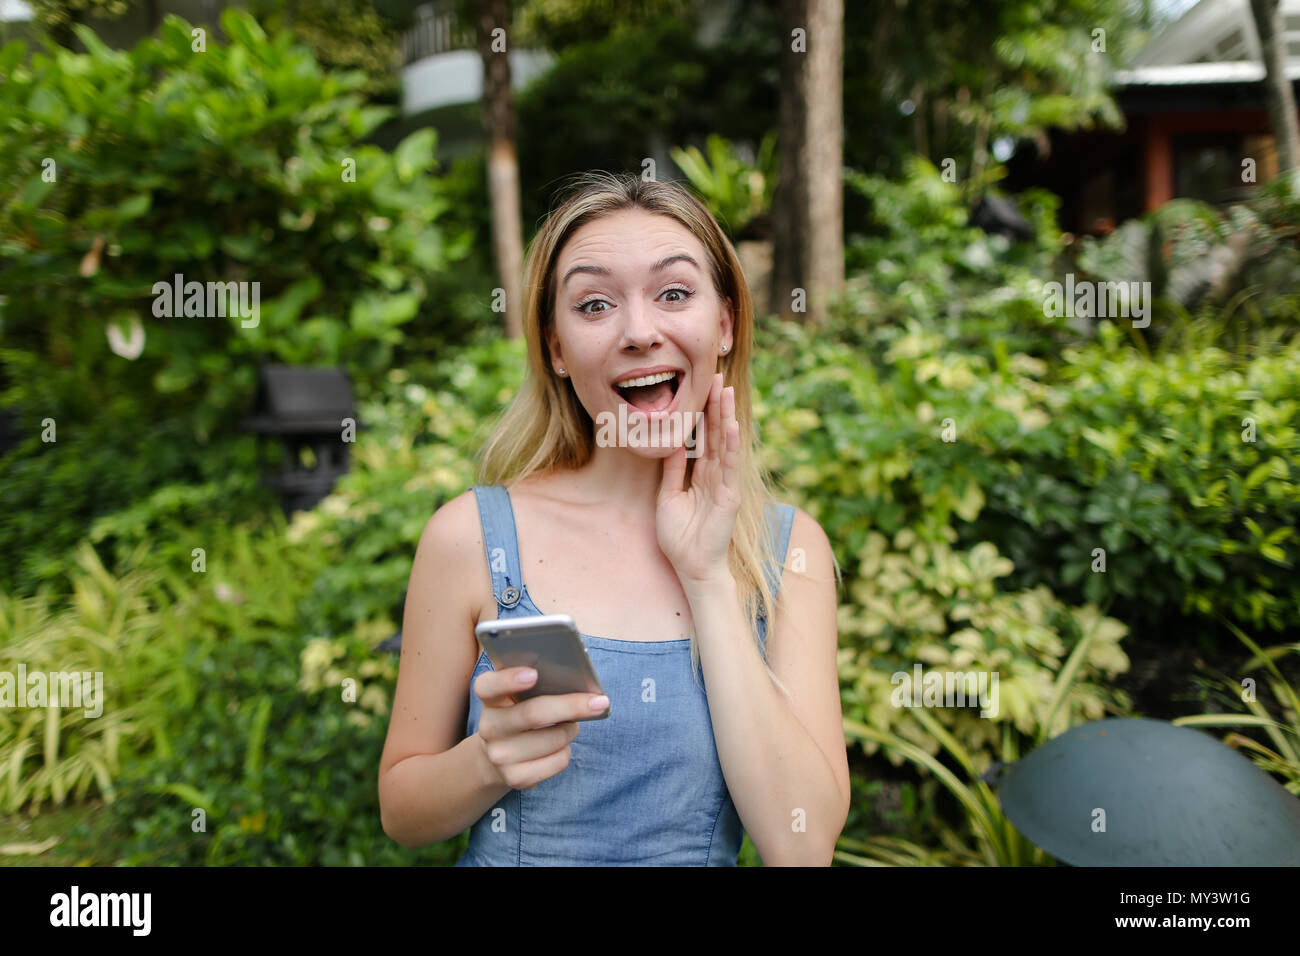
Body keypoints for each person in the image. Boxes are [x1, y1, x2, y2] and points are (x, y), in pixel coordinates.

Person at [378, 171, 847, 866]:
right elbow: (402, 811)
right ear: (558, 349)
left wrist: (708, 575)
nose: (638, 331)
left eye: (674, 293)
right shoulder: (470, 538)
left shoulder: (787, 551)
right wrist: (486, 760)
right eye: (594, 304)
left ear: (724, 325)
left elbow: (800, 847)